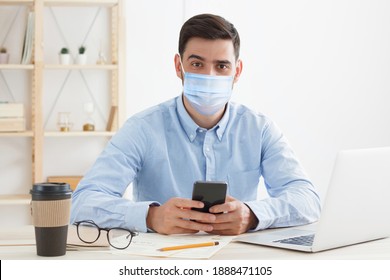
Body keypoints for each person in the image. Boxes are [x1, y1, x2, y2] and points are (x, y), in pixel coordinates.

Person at [71, 13, 321, 235]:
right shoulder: (142, 129)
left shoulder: (260, 129)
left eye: (221, 66)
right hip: (160, 262)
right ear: (179, 66)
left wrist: (252, 215)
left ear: (237, 71)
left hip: (238, 262)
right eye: (197, 64)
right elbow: (83, 203)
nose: (209, 76)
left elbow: (307, 200)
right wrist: (151, 217)